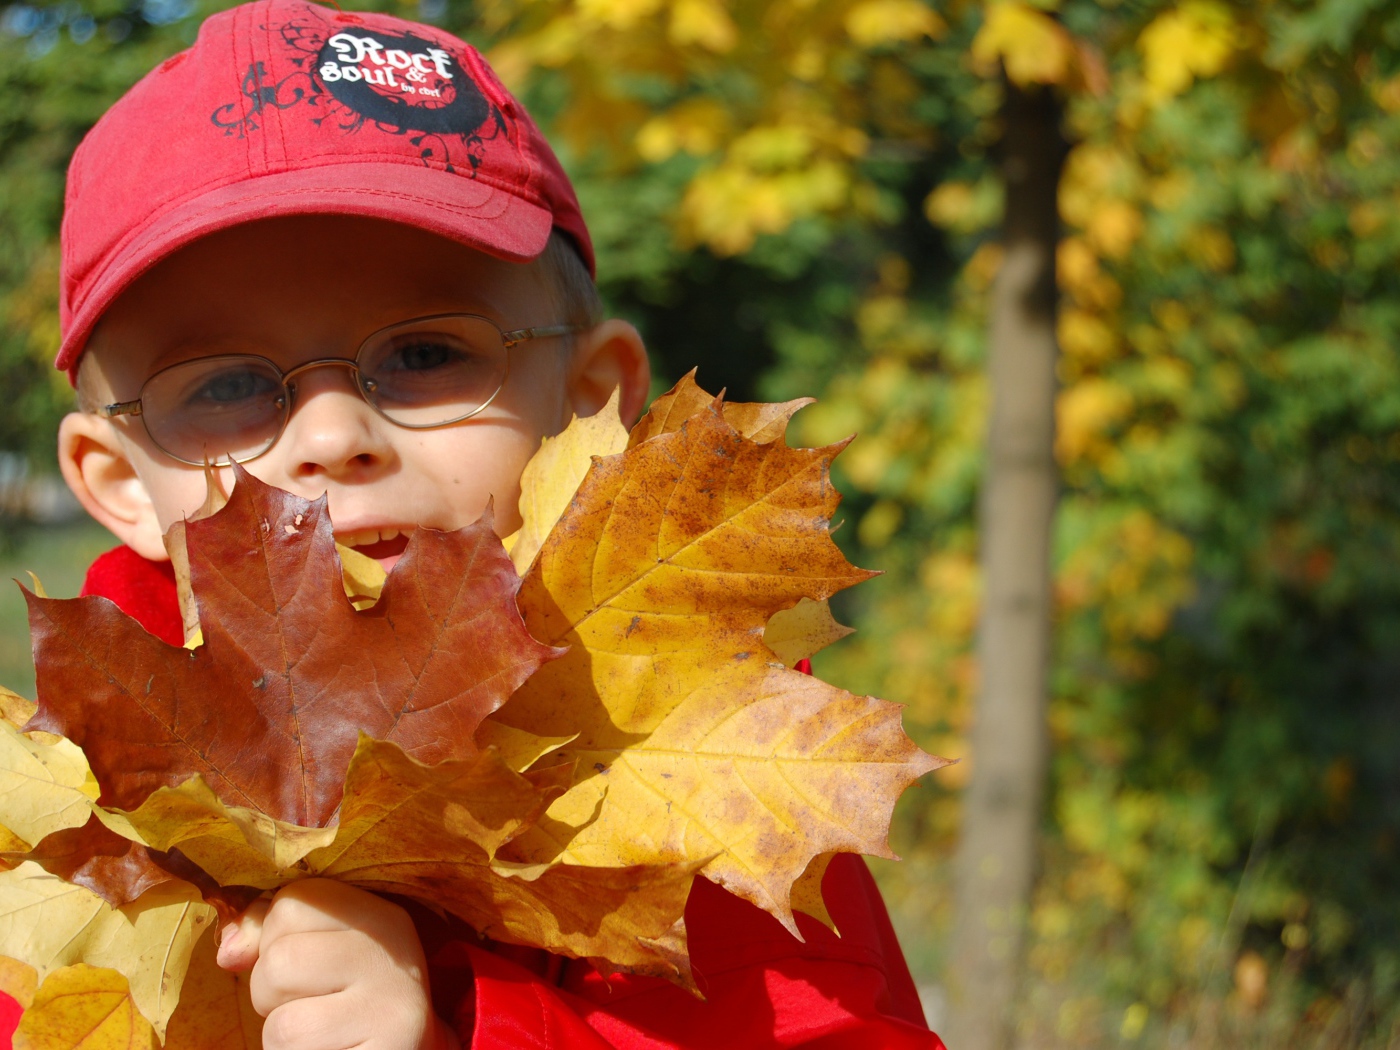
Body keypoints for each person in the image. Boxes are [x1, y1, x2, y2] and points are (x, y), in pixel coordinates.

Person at [21, 1, 946, 1046]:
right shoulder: (68, 832)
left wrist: (471, 1028)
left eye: (424, 355)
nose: (333, 431)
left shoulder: (688, 750)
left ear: (591, 406)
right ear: (120, 482)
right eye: (229, 383)